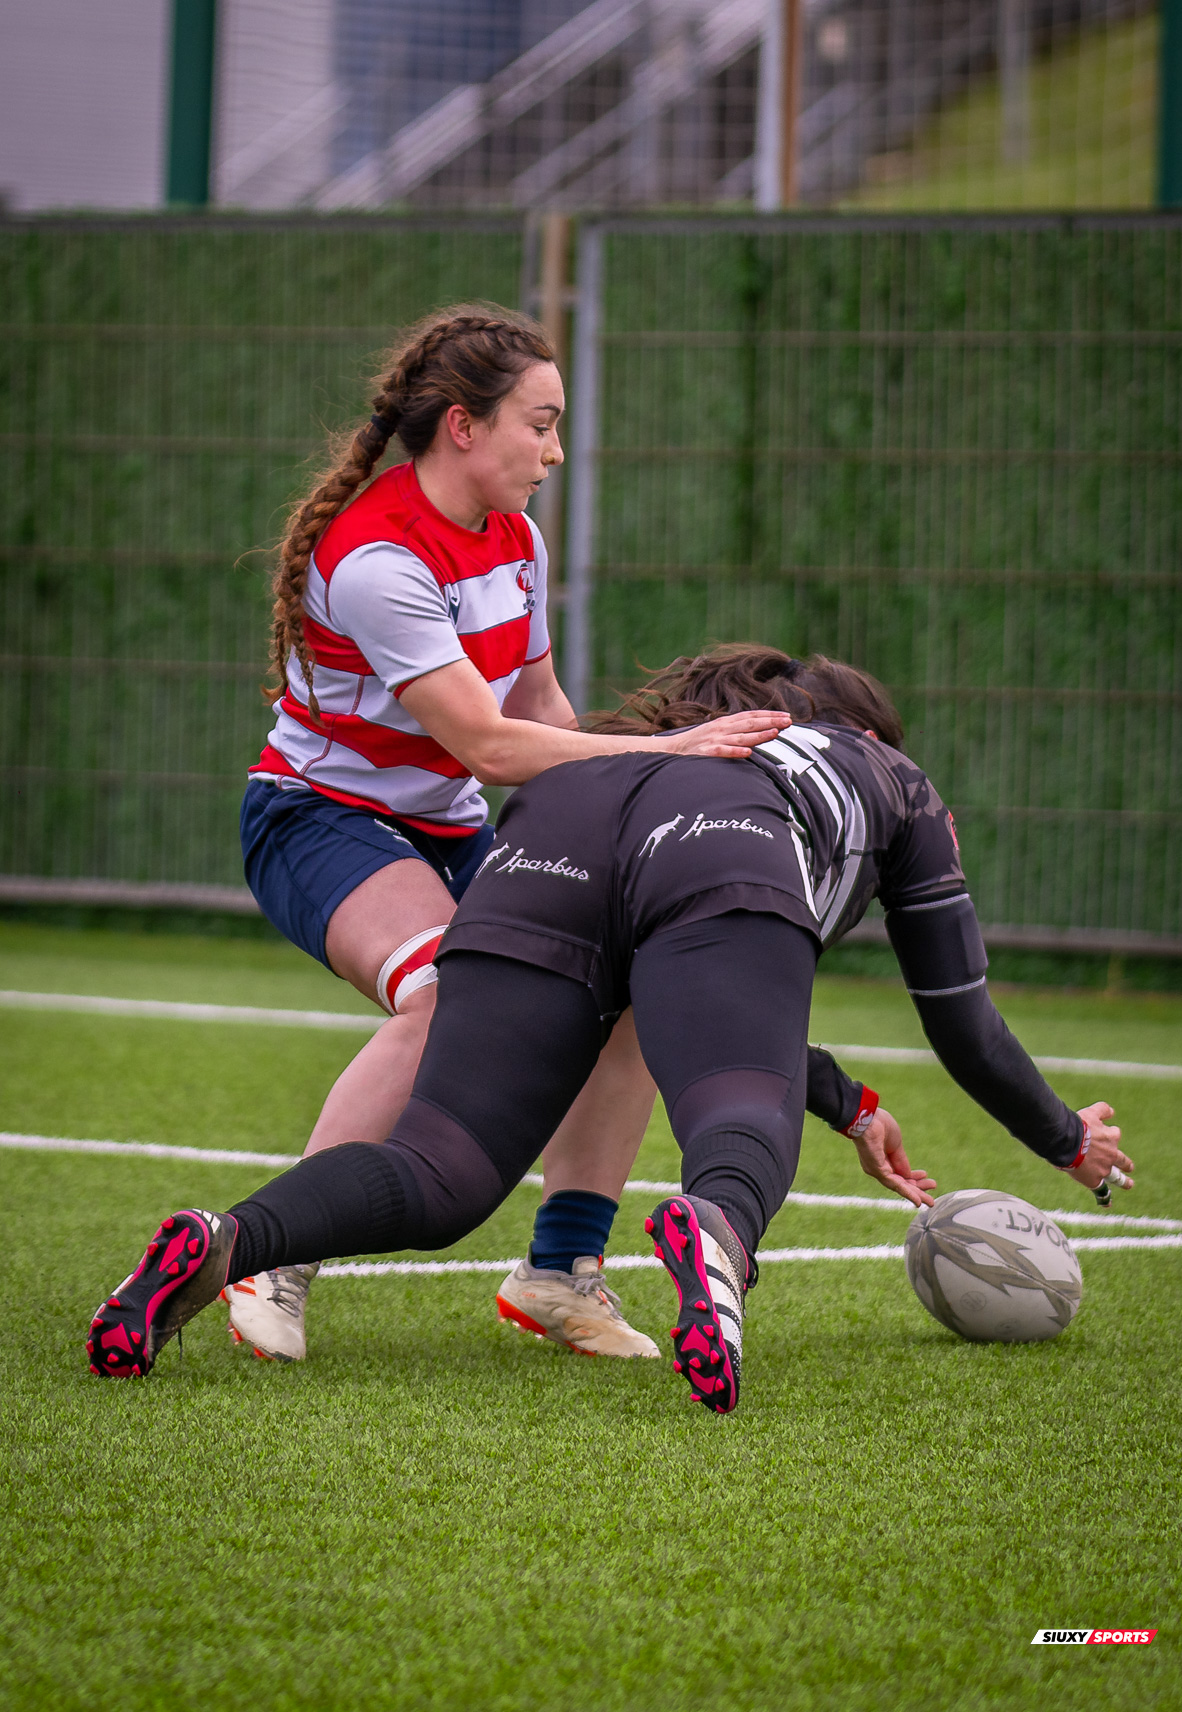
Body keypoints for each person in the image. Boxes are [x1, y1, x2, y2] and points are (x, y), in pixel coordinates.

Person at [88, 647, 1133, 1412]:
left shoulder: (640, 750)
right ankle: (716, 1229)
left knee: (440, 1165)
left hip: (560, 819)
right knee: (735, 1117)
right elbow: (960, 1022)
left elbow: (679, 1000)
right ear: (868, 731)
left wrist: (849, 1104)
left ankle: (232, 1240)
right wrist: (1063, 1137)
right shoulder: (893, 782)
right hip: (719, 852)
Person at [227, 302, 803, 1365]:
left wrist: (622, 829)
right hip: (321, 821)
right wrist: (671, 757)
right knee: (446, 991)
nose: (555, 449)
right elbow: (491, 746)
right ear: (462, 426)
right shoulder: (375, 560)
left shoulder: (518, 538)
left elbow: (539, 707)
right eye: (539, 424)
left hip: (447, 825)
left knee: (619, 982)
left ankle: (559, 1273)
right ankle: (273, 1258)